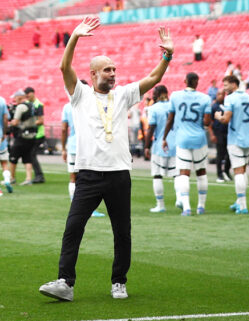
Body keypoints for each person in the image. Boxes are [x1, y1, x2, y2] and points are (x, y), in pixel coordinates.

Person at [39, 16, 173, 301]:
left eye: (114, 69)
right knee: (73, 228)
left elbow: (154, 79)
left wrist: (167, 55)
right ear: (93, 74)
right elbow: (64, 66)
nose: (113, 73)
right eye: (107, 70)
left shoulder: (123, 94)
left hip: (118, 174)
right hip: (88, 173)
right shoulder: (80, 95)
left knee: (122, 231)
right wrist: (74, 37)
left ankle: (119, 281)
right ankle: (65, 282)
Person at [162, 72, 212, 216]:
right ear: (197, 82)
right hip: (199, 139)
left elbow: (170, 119)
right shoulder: (205, 98)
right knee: (201, 172)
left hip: (182, 139)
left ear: (185, 81)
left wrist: (164, 137)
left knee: (183, 173)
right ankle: (201, 207)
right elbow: (207, 122)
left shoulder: (175, 96)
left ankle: (187, 208)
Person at [214, 75, 249, 215]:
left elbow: (226, 119)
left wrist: (218, 117)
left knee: (238, 171)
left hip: (236, 139)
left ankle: (243, 205)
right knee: (243, 170)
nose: (224, 88)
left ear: (234, 84)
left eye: (226, 85)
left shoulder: (231, 98)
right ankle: (239, 202)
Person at [61, 80, 105, 217]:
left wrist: (63, 148)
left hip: (73, 145)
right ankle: (90, 209)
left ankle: (75, 206)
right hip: (88, 146)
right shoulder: (91, 104)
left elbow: (63, 129)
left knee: (73, 177)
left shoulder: (67, 107)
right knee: (89, 178)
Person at [144, 85, 180, 212]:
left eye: (155, 93)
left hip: (160, 146)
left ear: (159, 94)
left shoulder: (153, 108)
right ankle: (180, 198)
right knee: (177, 175)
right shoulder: (174, 106)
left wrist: (146, 146)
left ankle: (160, 205)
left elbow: (151, 129)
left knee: (157, 175)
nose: (153, 95)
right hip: (176, 145)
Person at [9, 90, 40, 185]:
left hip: (22, 136)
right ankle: (28, 179)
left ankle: (12, 178)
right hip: (33, 136)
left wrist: (9, 123)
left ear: (19, 97)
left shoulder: (21, 107)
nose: (14, 99)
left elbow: (15, 122)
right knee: (27, 158)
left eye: (15, 97)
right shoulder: (32, 105)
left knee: (13, 157)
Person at [24, 87, 46, 183]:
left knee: (31, 154)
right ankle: (38, 175)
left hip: (38, 134)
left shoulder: (38, 105)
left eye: (28, 94)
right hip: (33, 134)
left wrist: (28, 124)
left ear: (33, 93)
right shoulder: (29, 104)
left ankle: (39, 176)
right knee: (31, 154)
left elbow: (41, 121)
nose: (27, 96)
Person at [211, 89, 231, 183]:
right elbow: (210, 122)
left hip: (228, 132)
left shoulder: (228, 106)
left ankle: (226, 171)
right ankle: (219, 174)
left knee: (229, 154)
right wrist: (212, 134)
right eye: (219, 94)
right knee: (220, 154)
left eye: (222, 94)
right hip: (218, 132)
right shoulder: (214, 107)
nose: (221, 96)